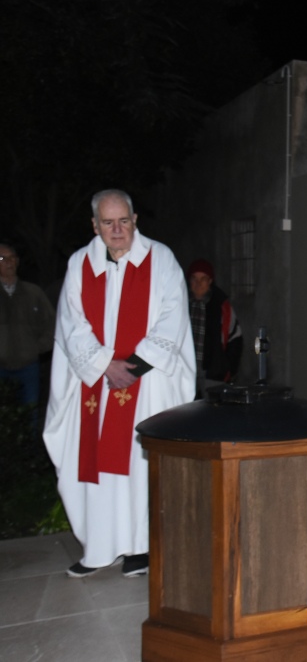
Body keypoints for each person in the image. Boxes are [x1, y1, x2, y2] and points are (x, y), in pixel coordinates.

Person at [43, 189, 195, 578]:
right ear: (94, 225)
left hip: (146, 383)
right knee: (93, 463)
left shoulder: (160, 259)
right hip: (95, 384)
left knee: (138, 463)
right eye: (107, 223)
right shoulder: (80, 264)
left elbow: (172, 315)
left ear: (135, 220)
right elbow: (71, 324)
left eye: (123, 221)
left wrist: (135, 365)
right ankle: (99, 547)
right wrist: (104, 364)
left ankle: (141, 548)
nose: (117, 230)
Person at [0, 243, 55, 406]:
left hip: (28, 366)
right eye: (3, 258)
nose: (9, 262)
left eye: (12, 258)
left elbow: (52, 323)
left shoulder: (33, 292)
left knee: (30, 412)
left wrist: (37, 348)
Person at [187, 259, 243, 397]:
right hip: (185, 372)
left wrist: (227, 369)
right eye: (194, 279)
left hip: (212, 375)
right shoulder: (180, 304)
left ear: (210, 281)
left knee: (211, 415)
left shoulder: (221, 306)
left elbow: (235, 339)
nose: (198, 284)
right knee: (185, 414)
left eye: (203, 279)